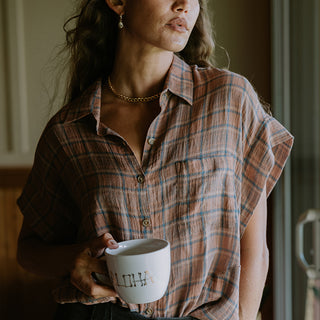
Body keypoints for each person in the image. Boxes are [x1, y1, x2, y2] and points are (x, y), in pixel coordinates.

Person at [16, 0, 293, 319]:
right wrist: (72, 259)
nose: (185, 6)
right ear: (118, 2)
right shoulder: (67, 130)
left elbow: (254, 251)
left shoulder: (230, 101)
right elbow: (28, 250)